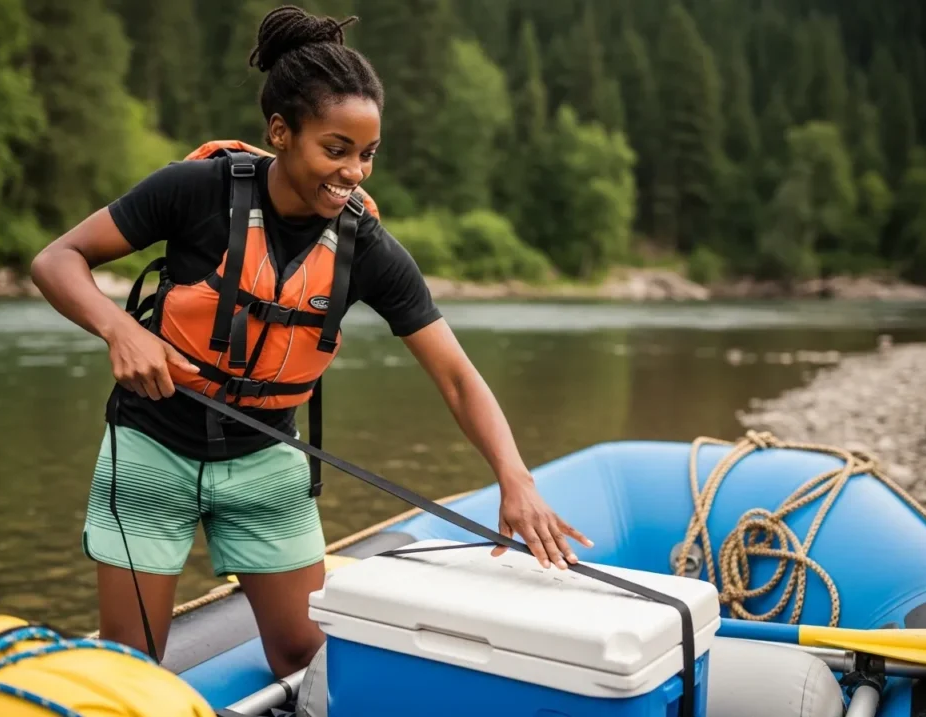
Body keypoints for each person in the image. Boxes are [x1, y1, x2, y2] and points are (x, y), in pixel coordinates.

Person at [30, 4, 592, 678]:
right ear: (281, 132)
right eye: (337, 148)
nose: (354, 171)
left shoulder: (367, 246)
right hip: (152, 450)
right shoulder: (194, 192)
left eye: (368, 154)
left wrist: (514, 477)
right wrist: (118, 327)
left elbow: (456, 375)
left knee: (301, 653)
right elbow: (57, 259)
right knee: (133, 665)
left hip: (267, 459)